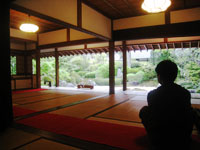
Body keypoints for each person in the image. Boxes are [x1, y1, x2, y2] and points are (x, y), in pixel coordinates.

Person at [139, 60, 194, 150]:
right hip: (182, 138)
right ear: (175, 75)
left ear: (159, 76)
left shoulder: (152, 94)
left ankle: (153, 136)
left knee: (144, 110)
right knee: (192, 111)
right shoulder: (185, 93)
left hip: (159, 139)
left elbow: (154, 115)